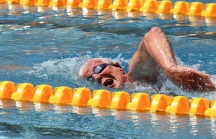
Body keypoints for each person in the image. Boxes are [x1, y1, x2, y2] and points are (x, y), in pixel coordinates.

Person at [79, 27, 216, 92]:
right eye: (90, 79)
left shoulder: (136, 77)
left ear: (117, 66)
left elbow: (153, 34)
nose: (96, 76)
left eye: (97, 68)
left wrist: (170, 69)